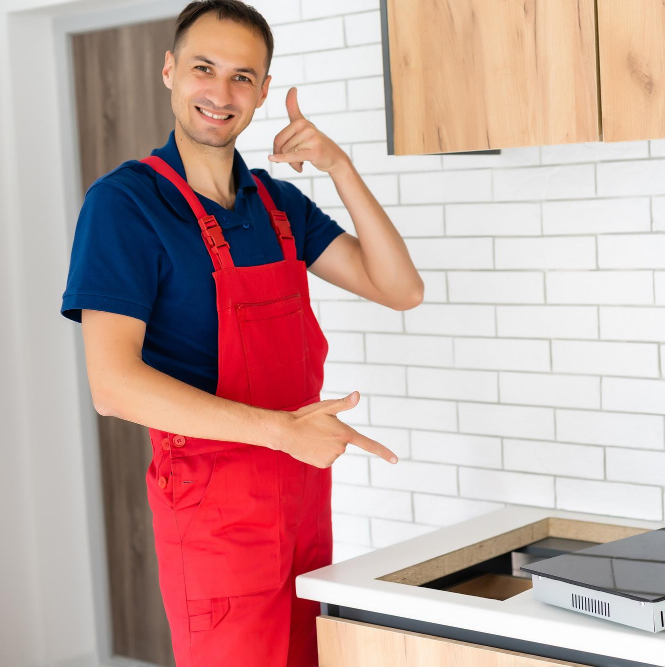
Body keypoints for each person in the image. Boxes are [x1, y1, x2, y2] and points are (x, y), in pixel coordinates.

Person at [59, 1, 422, 665]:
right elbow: (112, 385)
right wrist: (284, 430)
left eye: (243, 77)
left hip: (304, 509)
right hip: (215, 525)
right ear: (169, 71)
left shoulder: (276, 204)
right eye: (204, 68)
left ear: (261, 91)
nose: (220, 93)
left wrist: (340, 165)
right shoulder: (126, 206)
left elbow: (401, 288)